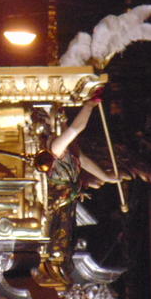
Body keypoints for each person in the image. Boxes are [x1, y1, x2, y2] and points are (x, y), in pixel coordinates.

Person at [36, 97, 120, 281]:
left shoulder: (68, 149)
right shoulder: (55, 146)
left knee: (65, 234)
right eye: (62, 119)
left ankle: (59, 265)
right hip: (58, 200)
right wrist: (89, 106)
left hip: (66, 199)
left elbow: (83, 161)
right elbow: (77, 128)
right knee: (60, 235)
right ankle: (54, 265)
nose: (66, 122)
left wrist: (106, 177)